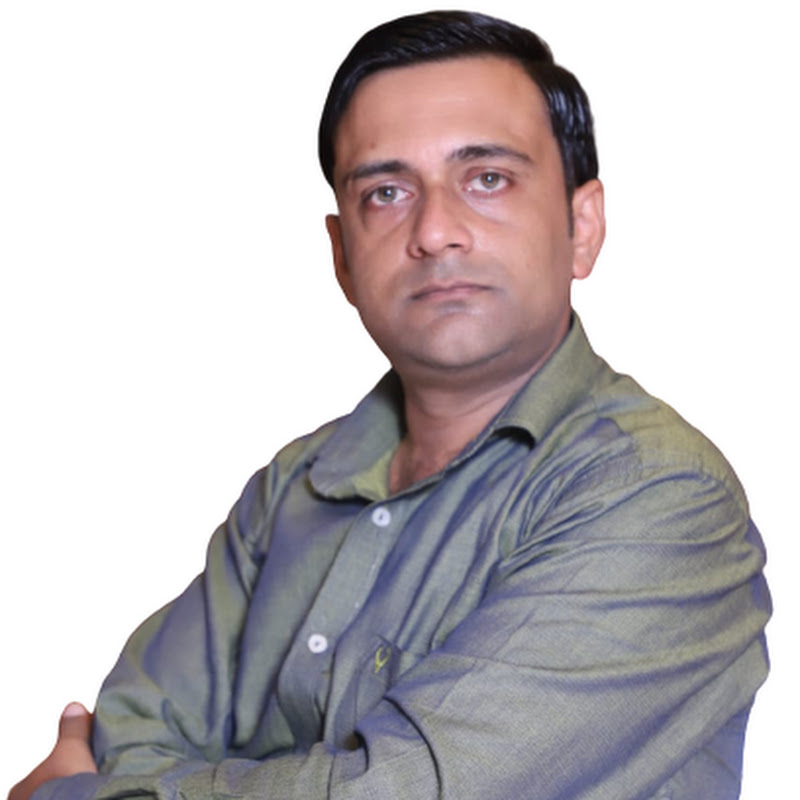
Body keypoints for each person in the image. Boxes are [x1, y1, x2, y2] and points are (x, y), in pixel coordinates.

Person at [10, 10, 770, 800]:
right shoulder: (293, 487)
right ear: (342, 256)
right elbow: (128, 730)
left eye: (487, 178)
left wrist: (73, 798)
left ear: (582, 227)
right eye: (386, 192)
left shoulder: (659, 494)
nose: (435, 231)